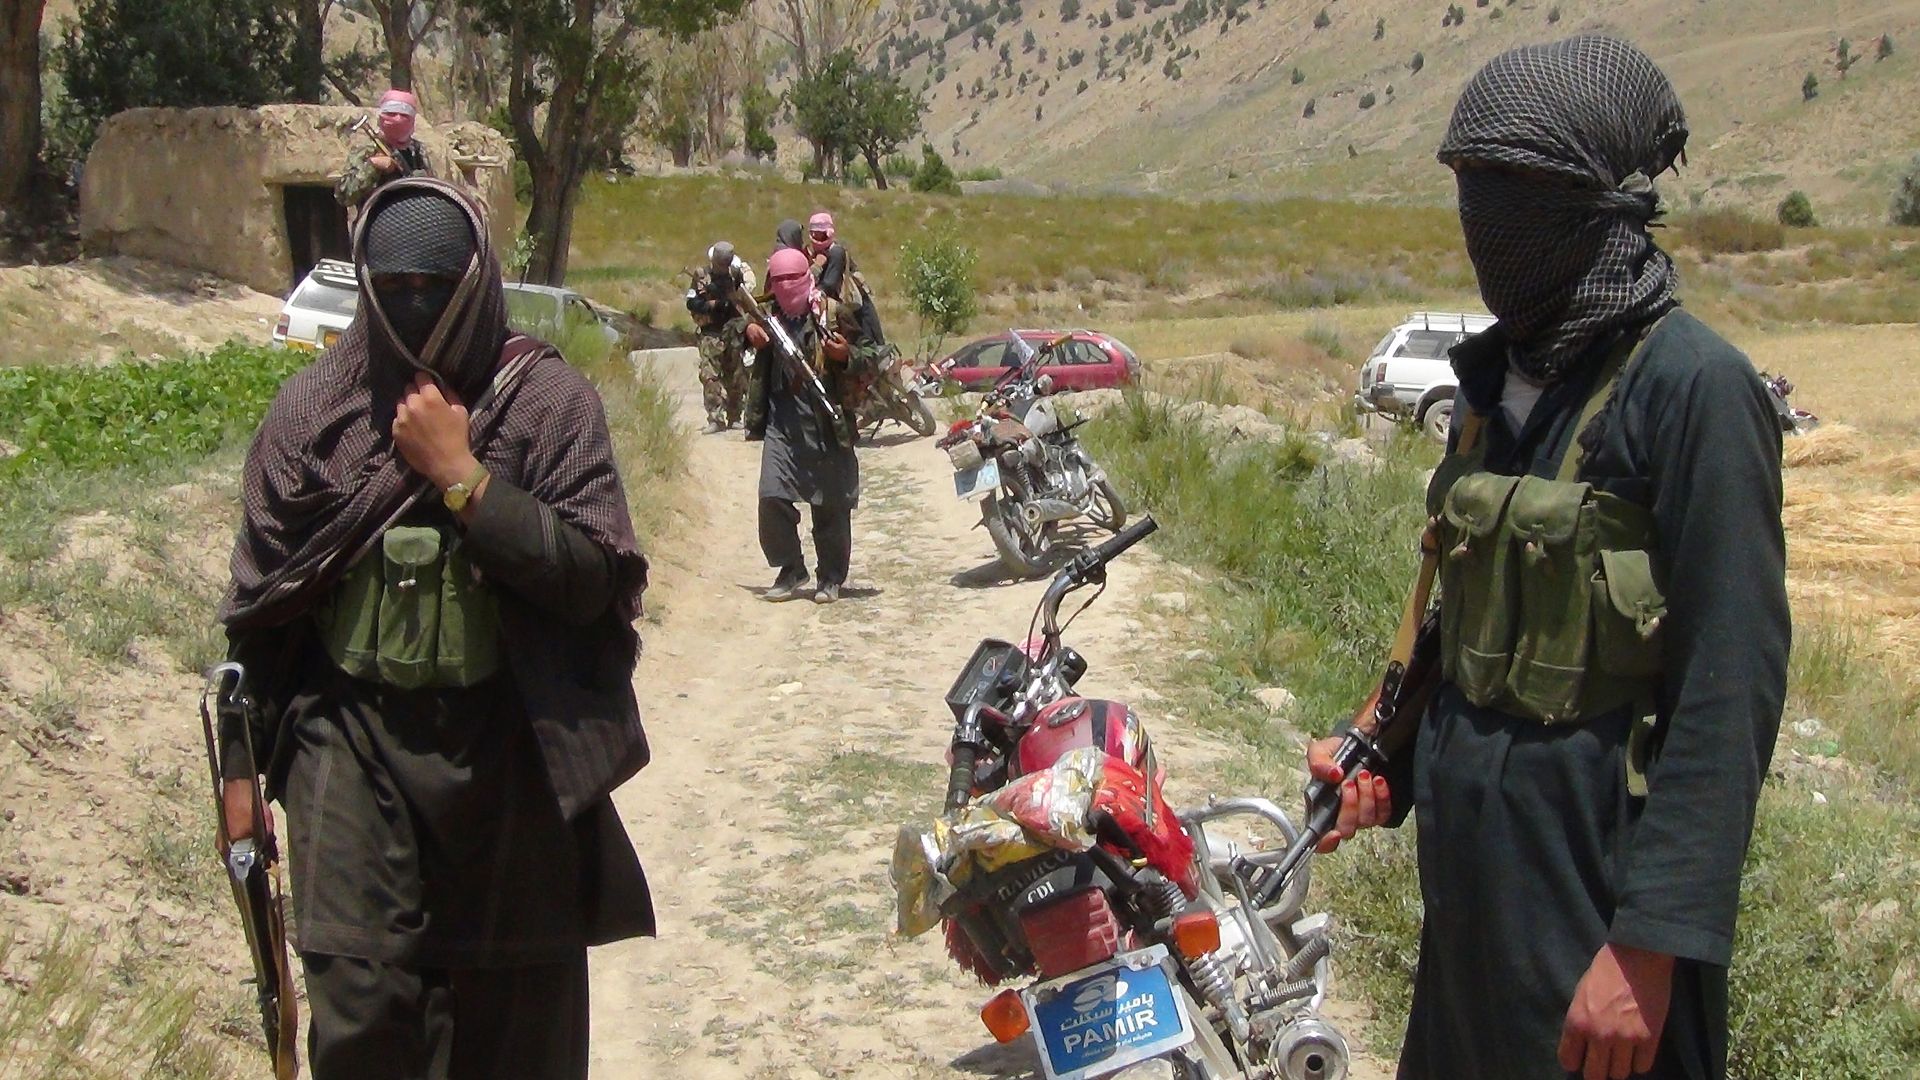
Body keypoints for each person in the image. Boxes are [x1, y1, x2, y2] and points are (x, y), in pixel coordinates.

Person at [1307, 35, 1789, 1080]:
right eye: (1472, 191)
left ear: (1595, 208)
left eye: (1512, 193)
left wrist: (1650, 945)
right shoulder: (1491, 387)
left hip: (1598, 910)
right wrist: (1378, 754)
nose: (1487, 224)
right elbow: (1465, 620)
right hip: (1472, 912)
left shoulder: (1696, 390)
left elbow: (1730, 685)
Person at [216, 178, 654, 1079]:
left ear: (478, 283)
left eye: (438, 287)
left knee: (516, 1041)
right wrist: (239, 770)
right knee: (366, 1029)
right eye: (395, 287)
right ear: (366, 289)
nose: (416, 307)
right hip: (350, 759)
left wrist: (465, 479)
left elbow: (590, 584)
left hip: (509, 770)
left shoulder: (544, 404)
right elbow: (264, 610)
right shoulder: (313, 414)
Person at [744, 247, 861, 605]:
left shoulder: (833, 313)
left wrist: (846, 356)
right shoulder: (769, 316)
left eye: (792, 279)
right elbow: (735, 325)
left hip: (825, 422)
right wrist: (749, 331)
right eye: (777, 281)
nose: (785, 287)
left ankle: (830, 577)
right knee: (772, 497)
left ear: (807, 276)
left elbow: (874, 355)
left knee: (830, 506)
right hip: (783, 424)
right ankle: (791, 567)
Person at [684, 241, 757, 433]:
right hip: (711, 333)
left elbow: (745, 300)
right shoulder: (702, 276)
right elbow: (692, 303)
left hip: (733, 332)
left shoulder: (736, 276)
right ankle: (715, 418)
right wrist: (714, 305)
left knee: (736, 377)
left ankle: (734, 416)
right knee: (710, 377)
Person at [336, 90, 433, 211]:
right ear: (381, 118)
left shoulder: (418, 151)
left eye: (404, 115)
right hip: (378, 222)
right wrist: (372, 166)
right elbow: (344, 196)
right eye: (391, 114)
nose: (398, 119)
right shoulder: (366, 151)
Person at [804, 211, 887, 345]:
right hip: (839, 313)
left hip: (855, 310)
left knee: (867, 348)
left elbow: (829, 285)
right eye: (813, 232)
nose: (815, 236)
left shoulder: (836, 252)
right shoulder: (812, 254)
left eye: (819, 233)